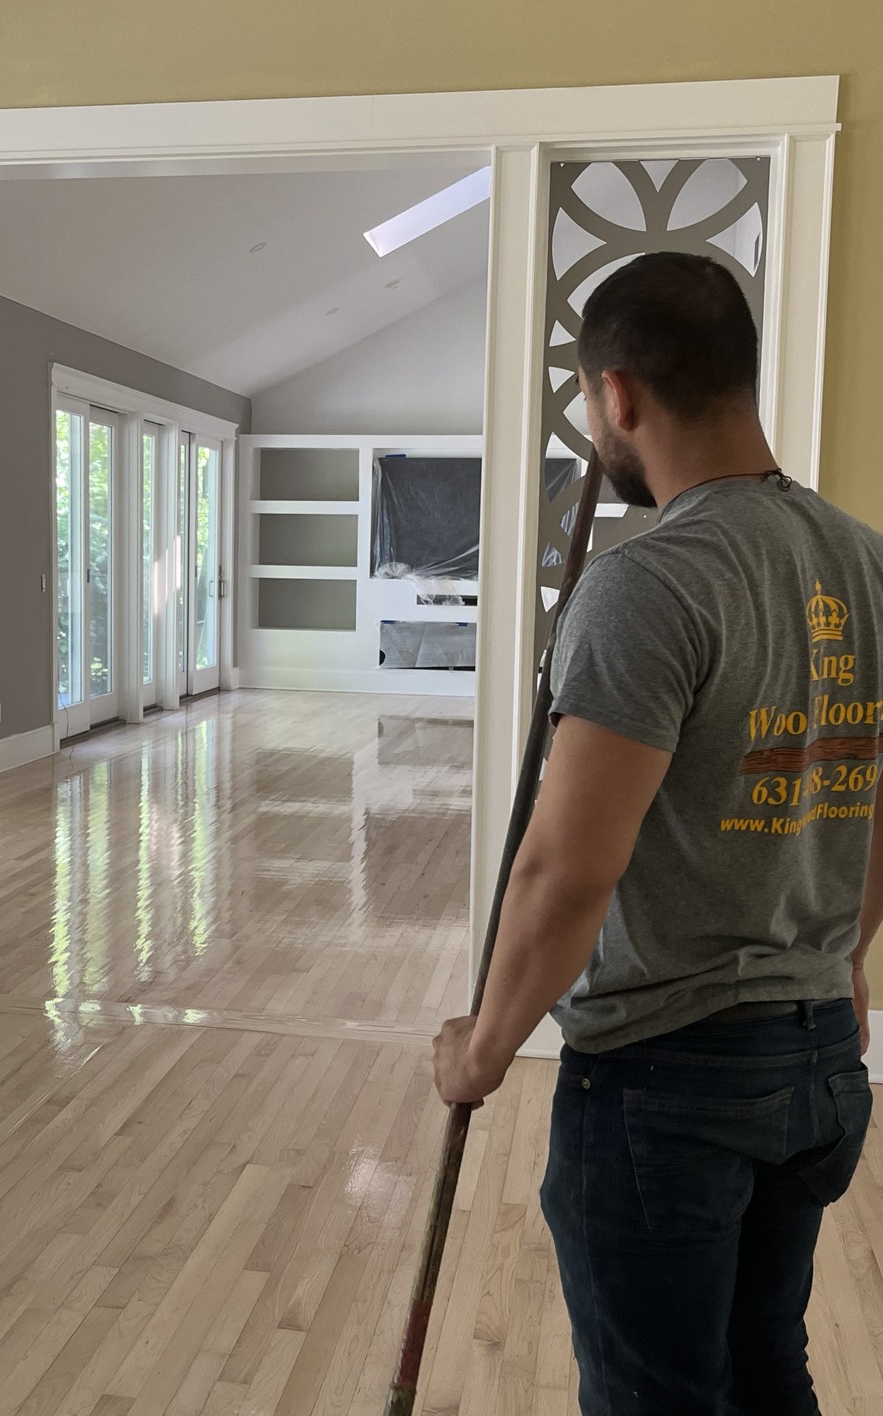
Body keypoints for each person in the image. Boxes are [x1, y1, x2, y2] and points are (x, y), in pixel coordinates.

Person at [432, 251, 883, 1416]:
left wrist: (483, 1048)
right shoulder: (868, 563)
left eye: (592, 403)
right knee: (762, 1372)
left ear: (617, 396)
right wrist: (847, 958)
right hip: (822, 1064)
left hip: (666, 1081)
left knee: (657, 1397)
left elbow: (568, 866)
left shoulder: (651, 584)